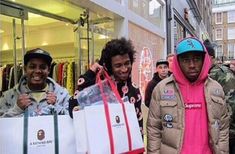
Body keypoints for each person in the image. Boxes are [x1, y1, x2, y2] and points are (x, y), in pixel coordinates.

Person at [147, 37, 229, 154]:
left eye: (196, 59)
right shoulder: (162, 89)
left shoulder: (215, 88)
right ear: (178, 62)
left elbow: (223, 128)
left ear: (204, 60)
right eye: (185, 60)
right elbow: (154, 129)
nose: (192, 65)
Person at [69, 37, 143, 135]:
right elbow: (74, 108)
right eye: (118, 65)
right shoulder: (97, 87)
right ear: (109, 66)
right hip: (101, 145)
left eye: (127, 63)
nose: (124, 69)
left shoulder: (134, 90)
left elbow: (138, 124)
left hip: (127, 147)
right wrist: (91, 72)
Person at [0, 48, 70, 117]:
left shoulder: (62, 95)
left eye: (42, 67)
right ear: (25, 69)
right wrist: (17, 109)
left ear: (48, 70)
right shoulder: (8, 96)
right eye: (32, 67)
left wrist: (56, 107)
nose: (37, 71)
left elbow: (74, 121)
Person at [204, 39, 235, 154]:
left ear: (210, 57)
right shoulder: (208, 72)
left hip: (227, 133)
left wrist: (221, 129)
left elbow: (231, 103)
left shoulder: (222, 73)